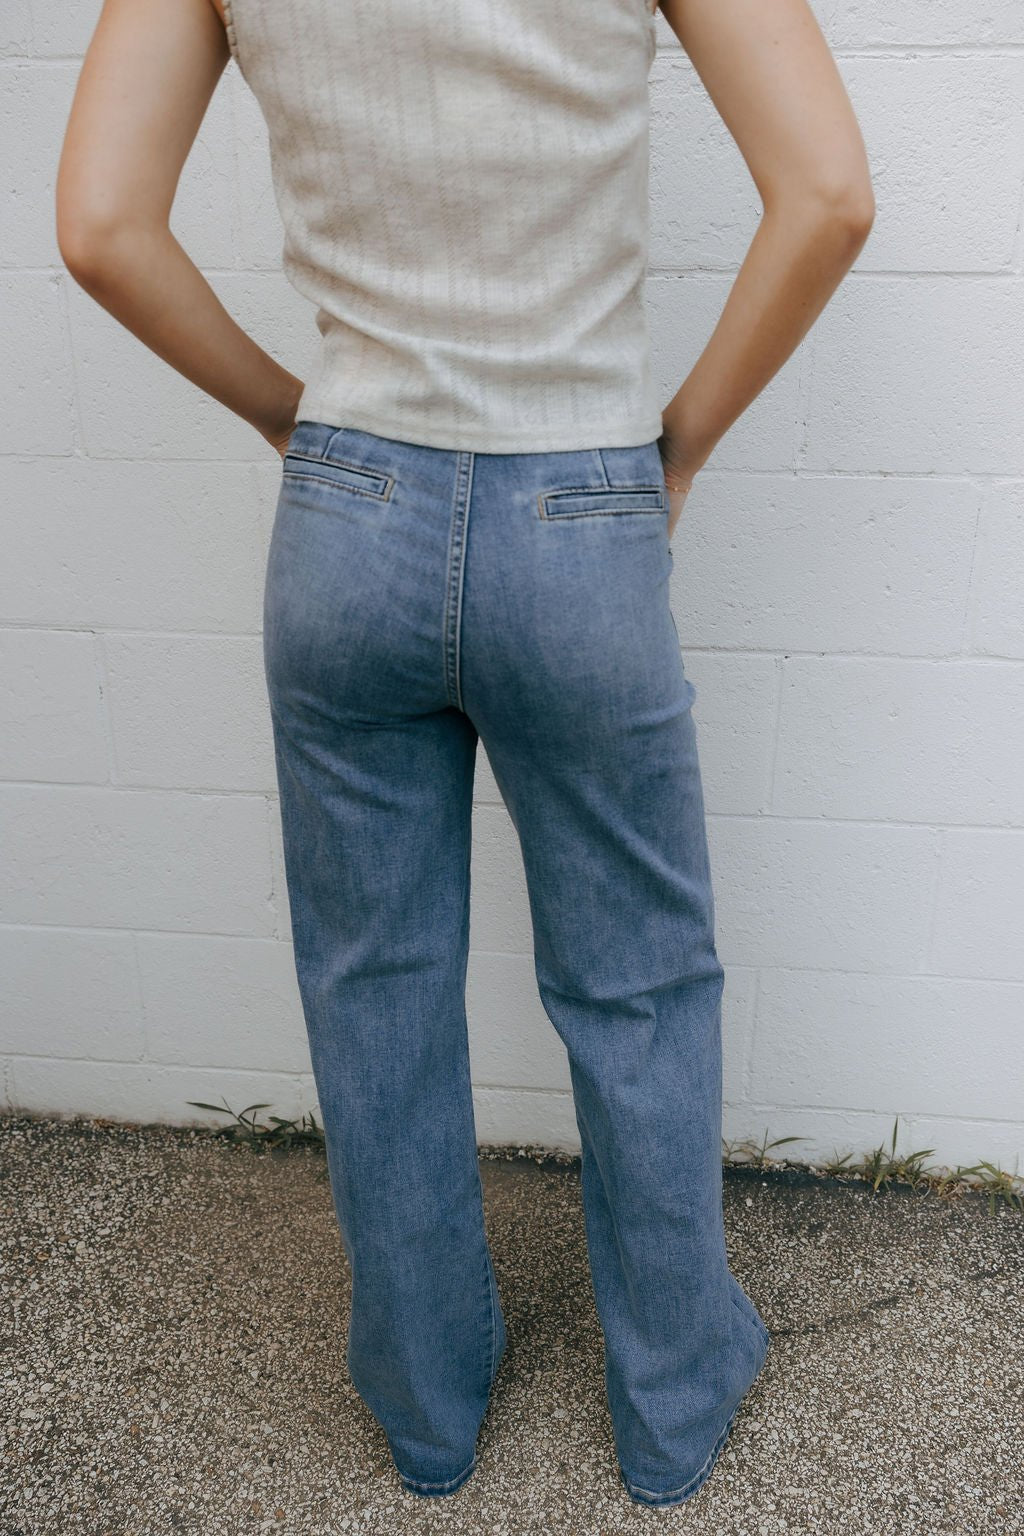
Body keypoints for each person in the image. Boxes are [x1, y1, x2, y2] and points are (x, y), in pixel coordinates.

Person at [56, 0, 874, 1507]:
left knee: (375, 984)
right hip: (581, 502)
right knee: (639, 982)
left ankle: (426, 1408)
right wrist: (681, 446)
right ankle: (673, 1401)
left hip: (348, 513)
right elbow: (828, 194)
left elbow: (103, 229)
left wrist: (299, 424)